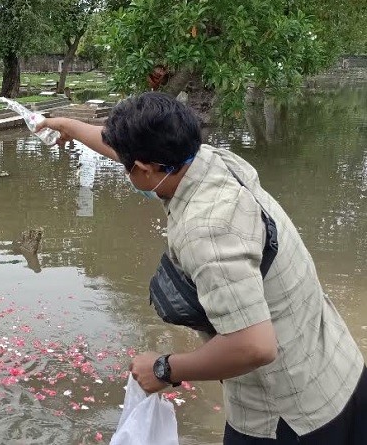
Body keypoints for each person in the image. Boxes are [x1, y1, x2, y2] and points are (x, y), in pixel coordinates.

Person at [36, 92, 366, 444]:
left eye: (128, 166)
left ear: (145, 169)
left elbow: (255, 346)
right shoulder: (205, 159)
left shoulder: (207, 229)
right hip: (338, 369)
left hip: (291, 415)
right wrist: (67, 125)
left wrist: (163, 369)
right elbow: (129, 151)